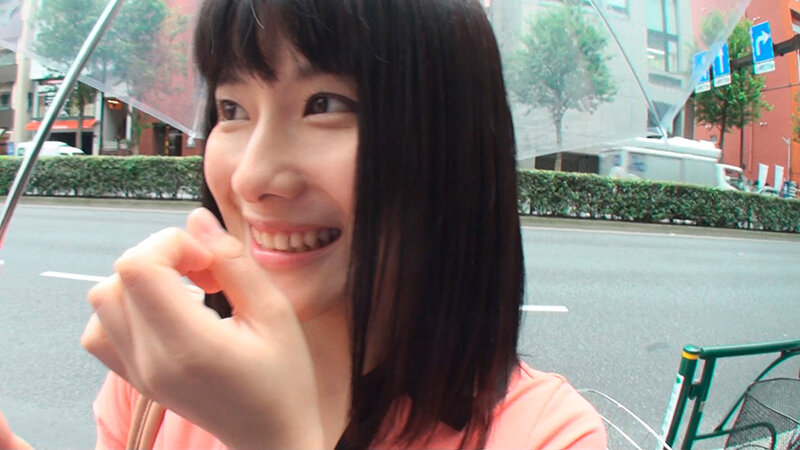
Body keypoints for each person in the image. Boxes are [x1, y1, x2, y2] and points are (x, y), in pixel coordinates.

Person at [1, 0, 606, 448]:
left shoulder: (543, 433)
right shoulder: (166, 376)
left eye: (325, 105)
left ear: (451, 146)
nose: (252, 177)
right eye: (231, 108)